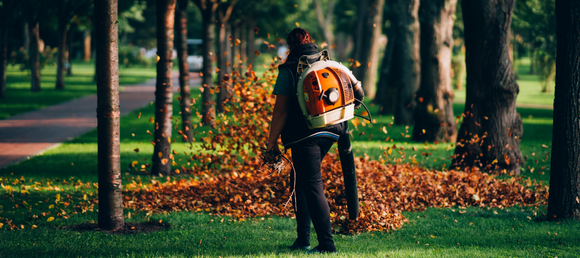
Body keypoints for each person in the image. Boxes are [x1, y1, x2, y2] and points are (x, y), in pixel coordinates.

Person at [265, 28, 346, 254]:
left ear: (290, 46)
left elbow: (280, 111)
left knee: (311, 185)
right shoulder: (326, 63)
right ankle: (303, 240)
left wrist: (271, 143)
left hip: (306, 136)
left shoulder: (289, 69)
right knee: (299, 178)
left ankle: (327, 245)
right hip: (331, 131)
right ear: (310, 41)